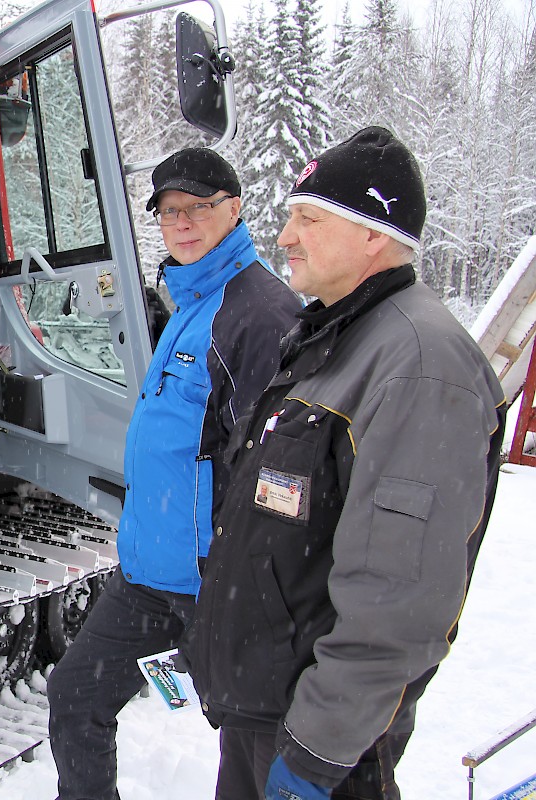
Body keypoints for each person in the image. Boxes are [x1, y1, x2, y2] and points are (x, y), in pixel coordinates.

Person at [181, 127, 507, 800]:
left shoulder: (420, 364)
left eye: (309, 218)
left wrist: (316, 754)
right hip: (272, 711)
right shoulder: (335, 335)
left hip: (322, 743)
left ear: (373, 236)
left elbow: (400, 596)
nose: (285, 237)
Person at [46, 148, 301, 800]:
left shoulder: (258, 313)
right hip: (150, 578)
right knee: (76, 693)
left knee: (250, 747)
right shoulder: (190, 298)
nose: (181, 223)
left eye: (198, 207)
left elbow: (268, 470)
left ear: (235, 209)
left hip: (217, 586)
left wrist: (232, 583)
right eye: (168, 212)